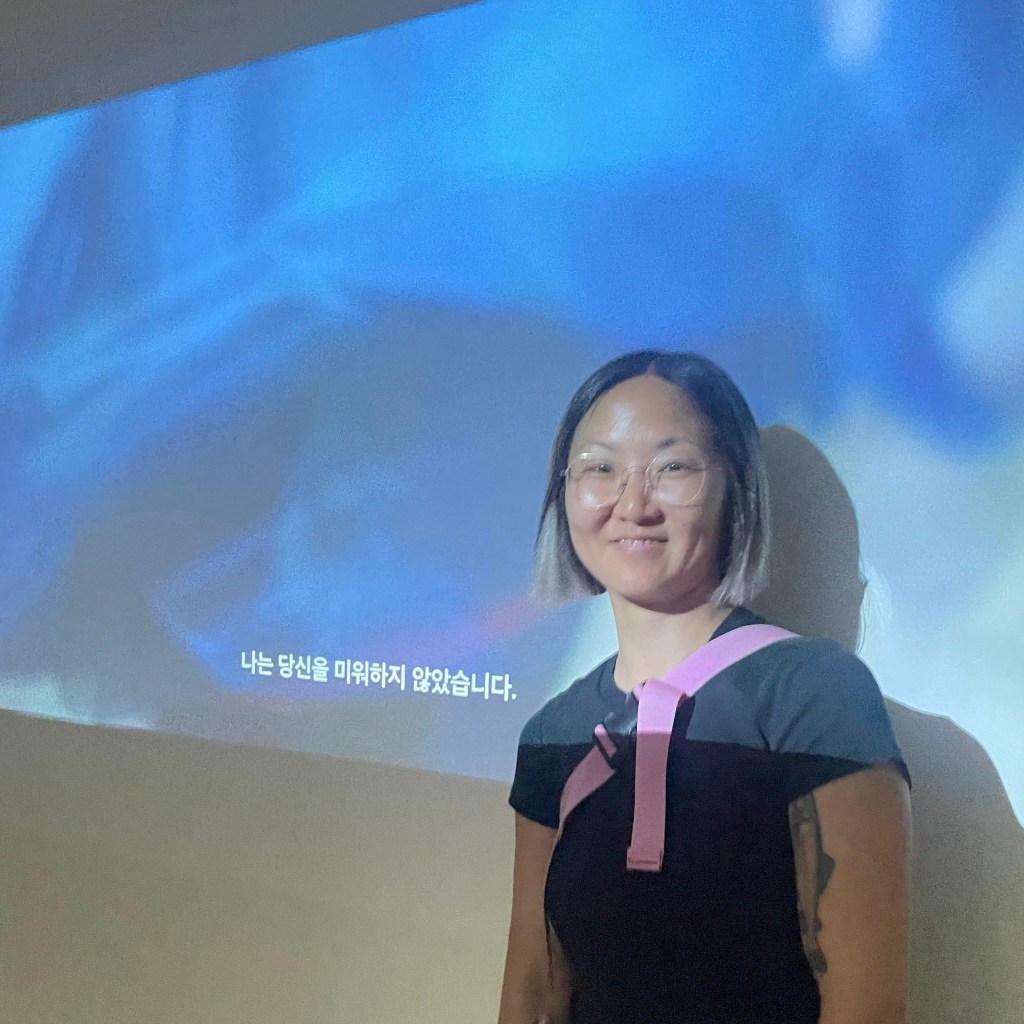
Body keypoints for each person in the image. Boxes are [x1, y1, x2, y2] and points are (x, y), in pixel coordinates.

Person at [498, 351, 911, 1024]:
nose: (634, 504)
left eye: (673, 468)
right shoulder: (554, 731)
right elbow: (534, 988)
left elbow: (868, 1008)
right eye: (600, 468)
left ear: (735, 493)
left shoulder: (816, 696)